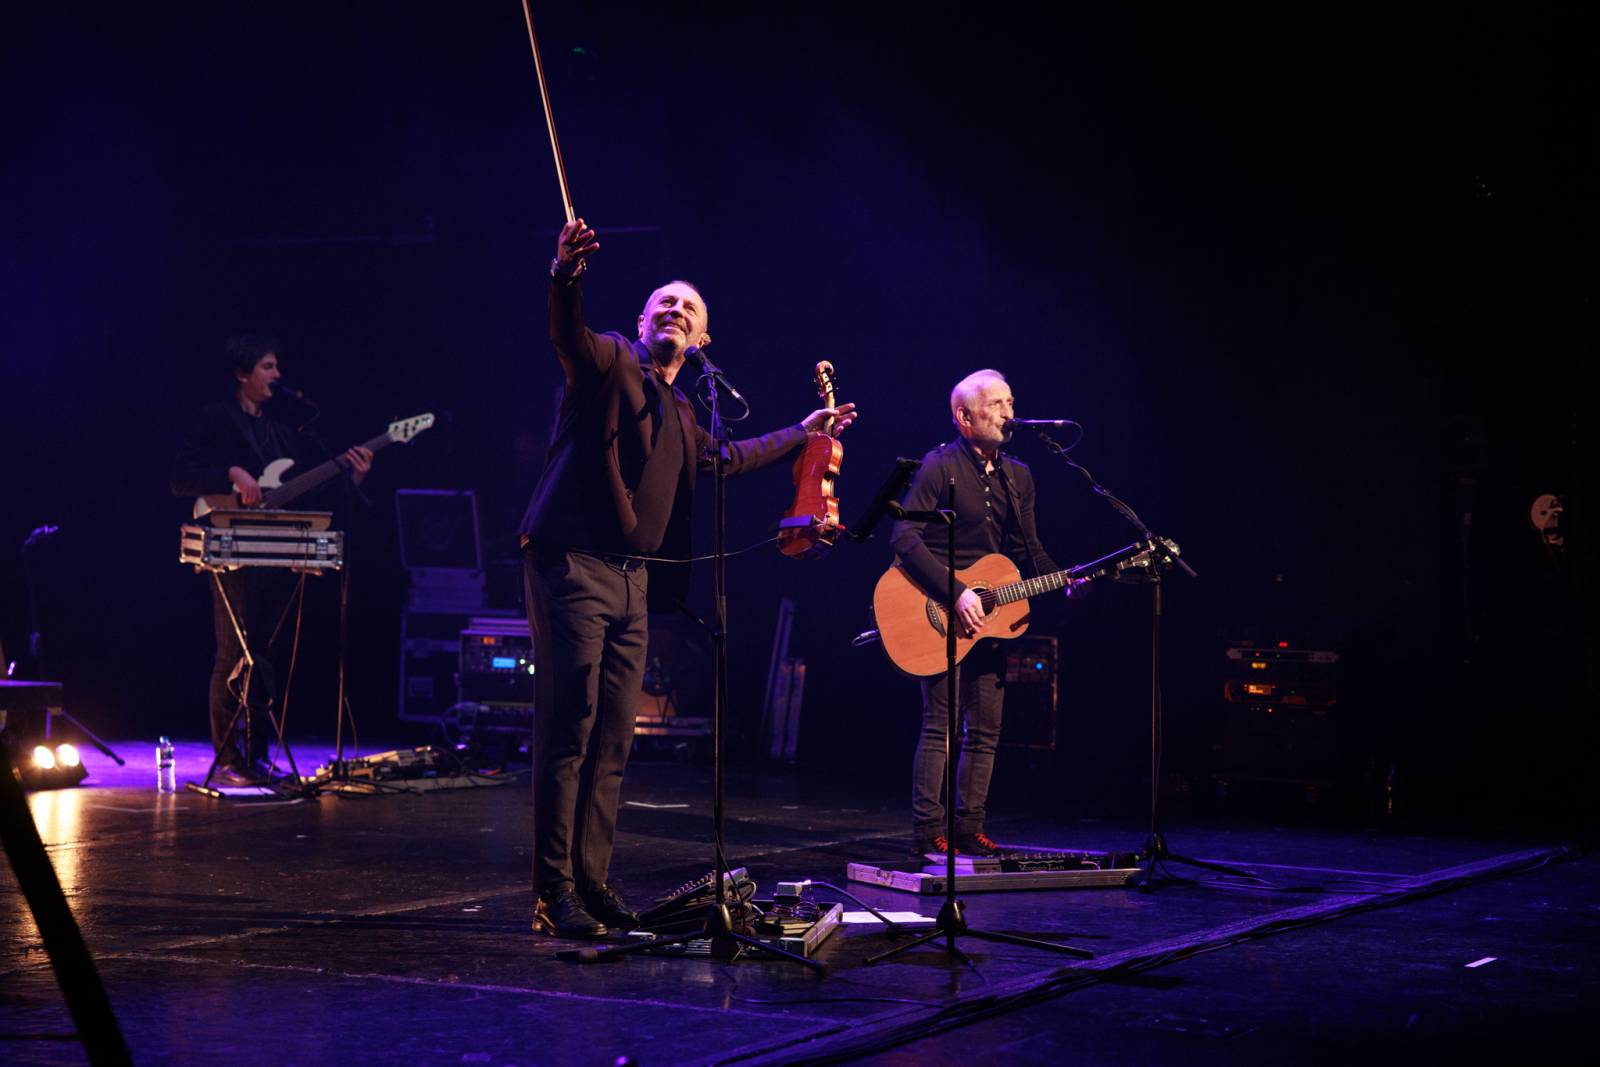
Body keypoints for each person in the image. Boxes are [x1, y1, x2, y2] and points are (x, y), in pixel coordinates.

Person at [520, 219, 856, 939]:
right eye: (664, 303)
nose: (675, 311)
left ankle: (592, 882)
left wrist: (803, 433)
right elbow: (567, 335)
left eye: (689, 308)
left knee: (614, 738)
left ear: (703, 339)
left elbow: (724, 459)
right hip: (572, 562)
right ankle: (554, 891)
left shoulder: (681, 408)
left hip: (634, 582)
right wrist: (565, 275)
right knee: (569, 727)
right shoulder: (611, 359)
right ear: (644, 321)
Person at [171, 336, 372, 785]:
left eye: (277, 366)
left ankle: (256, 754)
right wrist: (231, 473)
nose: (277, 375)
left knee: (262, 653)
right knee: (234, 650)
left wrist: (354, 476)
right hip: (228, 546)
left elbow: (307, 493)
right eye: (267, 366)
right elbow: (180, 478)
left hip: (271, 549)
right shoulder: (215, 419)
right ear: (242, 373)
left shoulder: (282, 431)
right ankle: (230, 758)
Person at [890, 369, 1066, 860]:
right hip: (939, 610)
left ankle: (969, 828)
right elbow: (903, 537)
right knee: (940, 726)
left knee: (986, 728)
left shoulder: (1019, 476)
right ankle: (928, 831)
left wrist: (1066, 578)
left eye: (1011, 402)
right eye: (996, 404)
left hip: (990, 619)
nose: (1009, 413)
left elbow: (1027, 550)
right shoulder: (939, 466)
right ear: (964, 417)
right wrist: (956, 591)